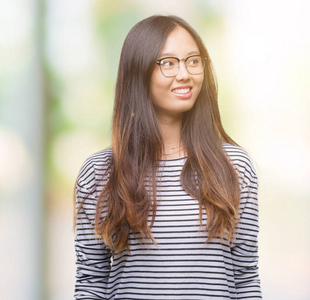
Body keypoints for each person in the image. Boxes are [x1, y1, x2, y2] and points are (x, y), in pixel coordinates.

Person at [73, 15, 261, 299]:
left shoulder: (234, 166)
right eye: (168, 63)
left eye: (193, 60)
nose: (185, 74)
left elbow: (245, 276)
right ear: (139, 72)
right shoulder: (100, 171)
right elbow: (91, 282)